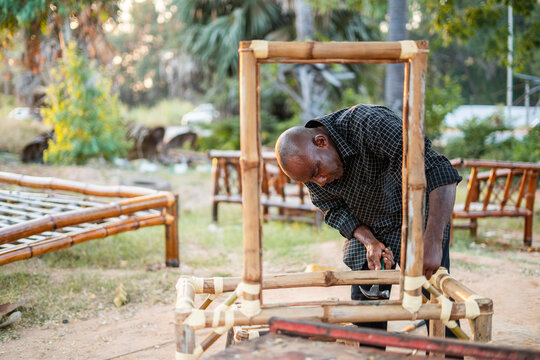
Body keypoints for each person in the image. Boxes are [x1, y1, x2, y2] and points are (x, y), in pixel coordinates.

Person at [275, 104, 462, 335]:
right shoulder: (311, 171)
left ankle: (449, 351)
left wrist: (433, 241)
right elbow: (333, 209)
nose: (321, 182)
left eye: (317, 172)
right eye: (311, 181)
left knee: (437, 301)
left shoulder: (370, 123)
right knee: (366, 309)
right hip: (371, 226)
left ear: (321, 142)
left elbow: (439, 171)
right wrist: (370, 242)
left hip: (419, 221)